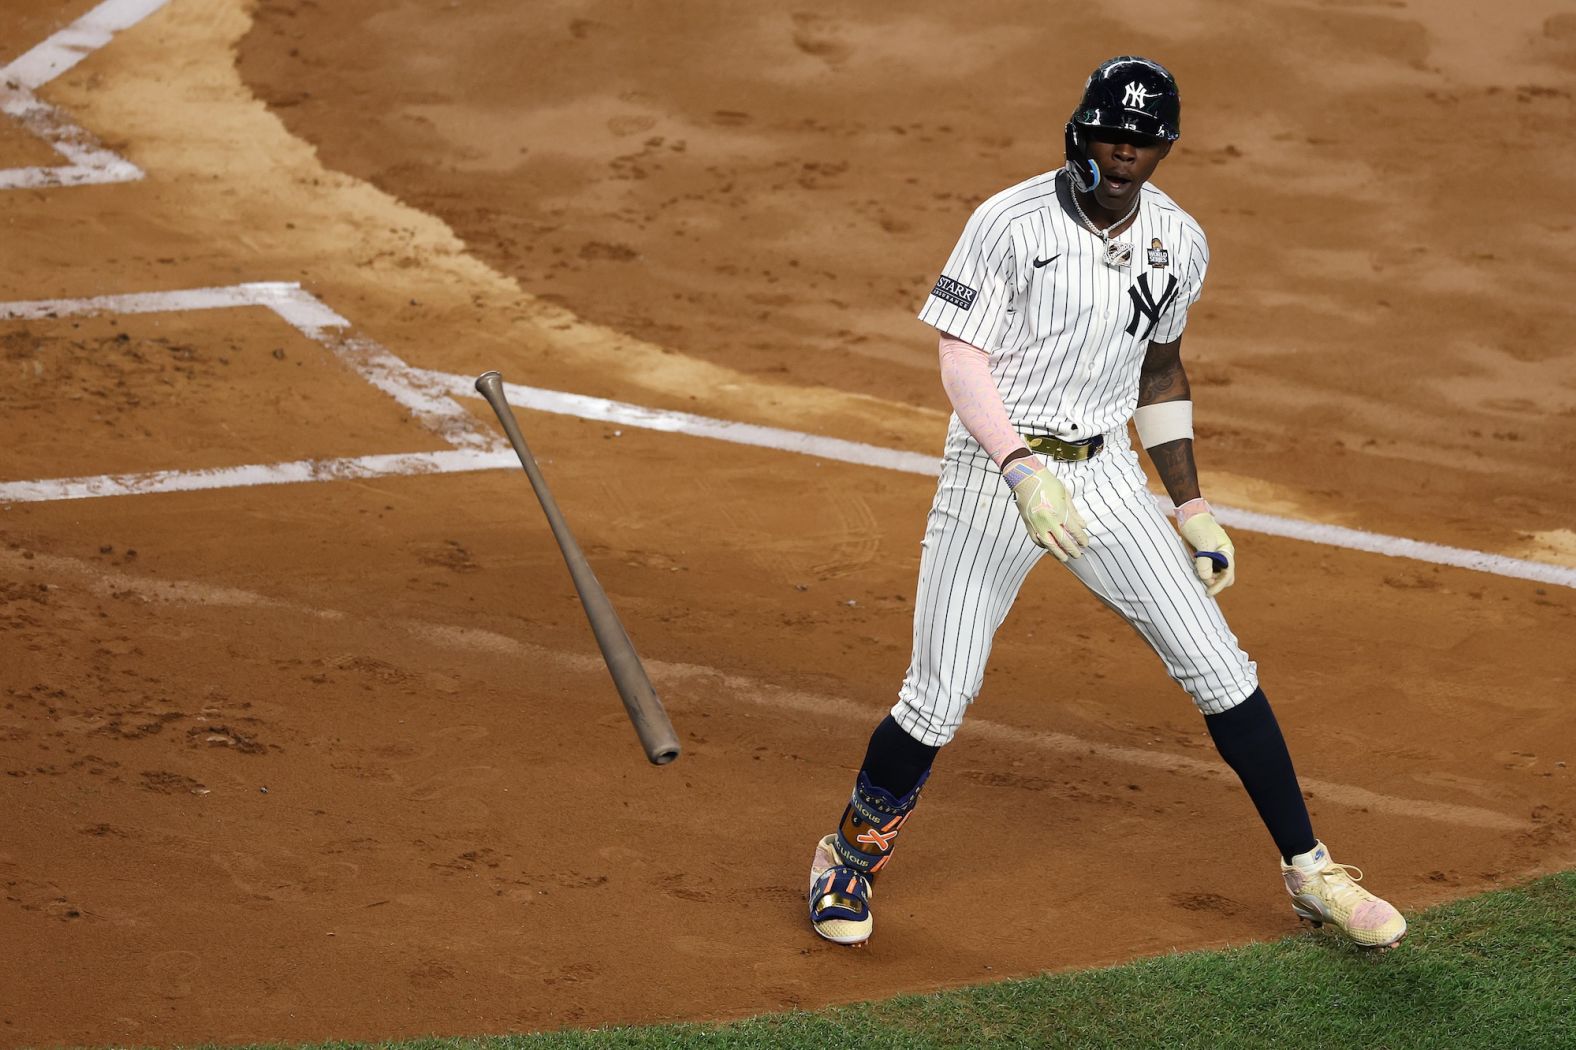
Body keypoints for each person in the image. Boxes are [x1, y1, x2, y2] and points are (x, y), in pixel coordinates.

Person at [806, 56, 1406, 950]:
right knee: (939, 695)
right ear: (1079, 131)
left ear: (1163, 150)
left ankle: (1311, 872)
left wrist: (1190, 505)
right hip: (993, 473)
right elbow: (960, 357)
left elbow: (1161, 369)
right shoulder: (1006, 222)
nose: (1122, 155)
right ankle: (847, 858)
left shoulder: (1180, 239)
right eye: (1110, 135)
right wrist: (1018, 468)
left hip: (1107, 476)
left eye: (1142, 142)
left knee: (1221, 669)